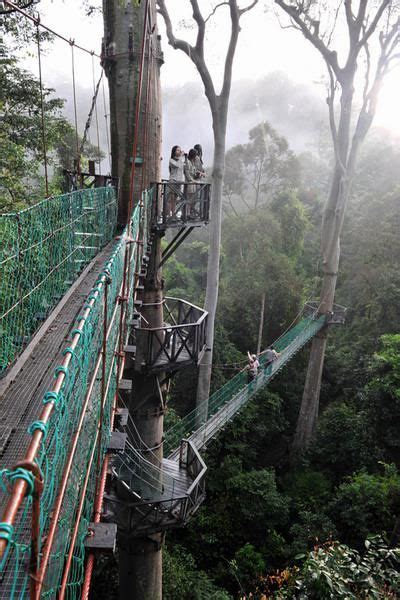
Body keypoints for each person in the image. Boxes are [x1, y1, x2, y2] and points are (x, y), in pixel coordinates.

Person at [168, 145, 185, 218]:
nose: (179, 151)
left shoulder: (181, 159)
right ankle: (169, 214)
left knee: (175, 199)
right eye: (178, 150)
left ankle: (174, 214)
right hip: (173, 180)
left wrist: (184, 158)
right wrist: (181, 157)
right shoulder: (171, 160)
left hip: (179, 181)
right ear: (174, 152)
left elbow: (183, 167)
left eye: (180, 150)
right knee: (171, 198)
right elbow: (177, 165)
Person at [184, 149, 198, 217]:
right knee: (188, 198)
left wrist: (197, 175)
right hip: (189, 183)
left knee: (191, 199)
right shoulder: (187, 162)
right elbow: (187, 173)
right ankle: (186, 213)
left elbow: (193, 173)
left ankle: (189, 212)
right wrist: (192, 180)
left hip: (192, 183)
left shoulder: (192, 162)